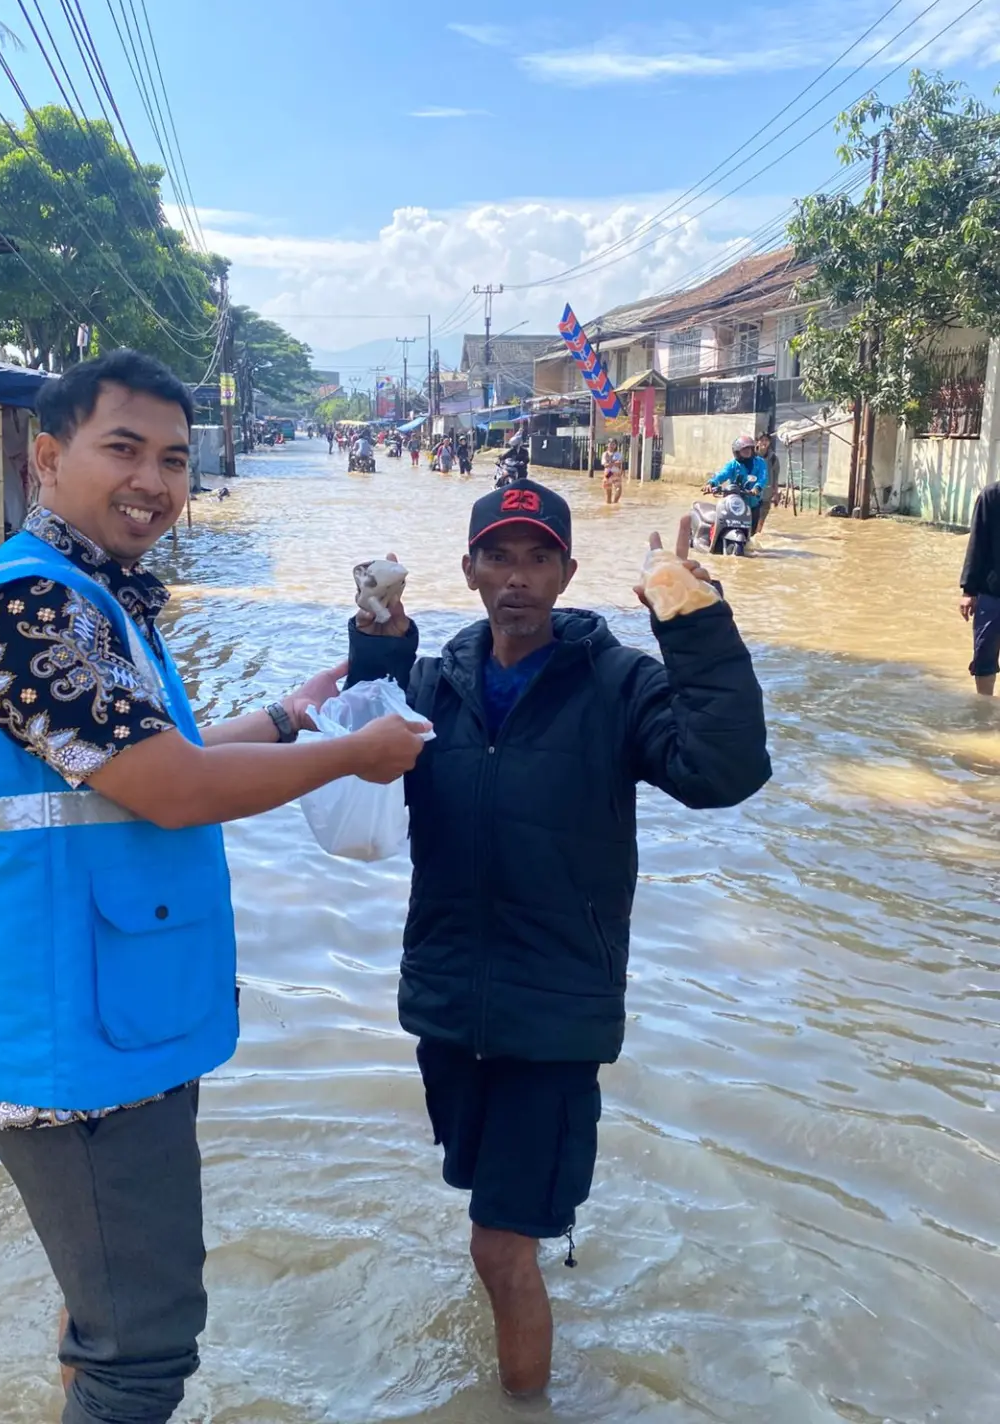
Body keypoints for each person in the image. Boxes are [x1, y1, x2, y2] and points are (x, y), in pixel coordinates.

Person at [0, 350, 427, 1424]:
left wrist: (295, 716)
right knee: (141, 1356)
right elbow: (174, 788)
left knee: (101, 1323)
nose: (153, 480)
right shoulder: (31, 610)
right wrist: (354, 757)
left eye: (172, 458)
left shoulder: (96, 597)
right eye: (123, 450)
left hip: (107, 1024)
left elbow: (156, 755)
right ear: (49, 457)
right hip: (73, 1054)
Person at [346, 480, 770, 1397]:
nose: (518, 578)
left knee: (500, 1249)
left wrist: (689, 616)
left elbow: (724, 770)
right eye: (498, 555)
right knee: (487, 1217)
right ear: (468, 569)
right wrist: (377, 644)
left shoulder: (616, 684)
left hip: (556, 1017)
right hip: (451, 1006)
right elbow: (357, 794)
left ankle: (523, 1409)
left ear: (570, 572)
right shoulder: (436, 686)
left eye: (539, 557)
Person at [960, 478, 1000, 695]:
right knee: (984, 656)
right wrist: (968, 590)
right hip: (992, 592)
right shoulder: (992, 495)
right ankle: (984, 709)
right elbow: (976, 543)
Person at [706, 434, 768, 534]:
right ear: (737, 452)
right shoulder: (732, 464)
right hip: (734, 503)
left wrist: (757, 488)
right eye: (744, 449)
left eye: (749, 448)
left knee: (751, 534)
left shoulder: (760, 462)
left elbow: (763, 477)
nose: (747, 451)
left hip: (753, 504)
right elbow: (723, 474)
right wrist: (712, 483)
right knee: (723, 524)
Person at [754, 434, 780, 534]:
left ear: (769, 442)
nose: (764, 442)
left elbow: (776, 477)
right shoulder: (752, 455)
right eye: (762, 440)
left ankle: (757, 535)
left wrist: (776, 493)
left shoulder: (773, 458)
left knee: (762, 517)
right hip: (753, 493)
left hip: (767, 493)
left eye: (766, 440)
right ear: (757, 442)